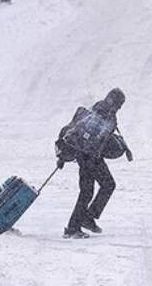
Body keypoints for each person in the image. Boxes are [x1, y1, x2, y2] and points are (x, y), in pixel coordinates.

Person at [58, 88, 133, 239]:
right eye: (119, 104)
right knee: (105, 186)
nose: (119, 107)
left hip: (88, 155)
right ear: (112, 100)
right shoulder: (102, 112)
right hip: (89, 156)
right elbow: (92, 134)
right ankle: (79, 224)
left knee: (89, 190)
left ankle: (79, 223)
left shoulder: (101, 109)